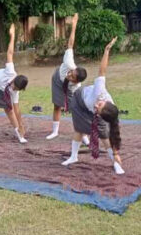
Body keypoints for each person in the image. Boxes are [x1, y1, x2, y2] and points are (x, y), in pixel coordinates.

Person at [61, 37, 125, 175]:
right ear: (105, 102)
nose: (96, 106)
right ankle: (73, 157)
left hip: (92, 107)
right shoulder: (99, 91)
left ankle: (115, 163)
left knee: (104, 134)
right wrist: (106, 51)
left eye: (98, 109)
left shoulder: (108, 113)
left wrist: (116, 154)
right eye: (99, 105)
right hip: (79, 100)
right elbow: (102, 71)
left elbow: (113, 133)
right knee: (79, 129)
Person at [46, 13, 89, 142]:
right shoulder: (69, 62)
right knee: (57, 105)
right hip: (57, 79)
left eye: (72, 77)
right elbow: (70, 43)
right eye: (71, 73)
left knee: (76, 111)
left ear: (76, 81)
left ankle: (84, 136)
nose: (69, 75)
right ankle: (54, 131)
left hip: (68, 90)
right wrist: (74, 25)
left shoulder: (76, 87)